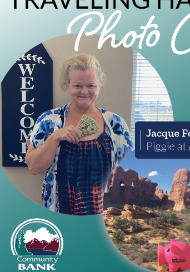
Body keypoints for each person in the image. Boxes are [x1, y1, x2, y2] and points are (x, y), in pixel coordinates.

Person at [25, 54, 134, 215]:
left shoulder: (116, 124)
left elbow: (127, 171)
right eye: (77, 85)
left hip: (104, 217)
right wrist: (55, 137)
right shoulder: (49, 120)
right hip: (59, 213)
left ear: (100, 84)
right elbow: (34, 167)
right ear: (67, 85)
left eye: (91, 85)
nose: (84, 91)